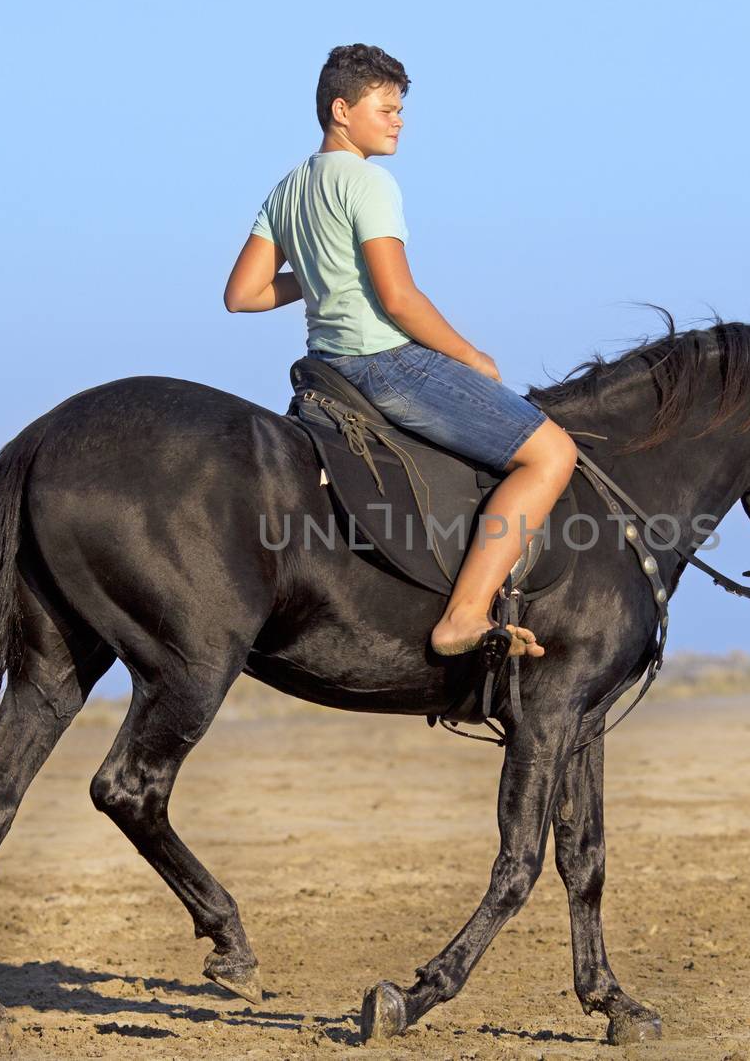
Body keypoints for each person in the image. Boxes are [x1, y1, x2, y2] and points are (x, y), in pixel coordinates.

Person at [225, 43, 576, 661]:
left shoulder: (287, 188)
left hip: (325, 373)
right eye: (385, 108)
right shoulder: (369, 182)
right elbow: (399, 298)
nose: (399, 121)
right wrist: (473, 357)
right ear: (341, 109)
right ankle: (464, 615)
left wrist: (324, 274)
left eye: (400, 109)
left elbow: (244, 294)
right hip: (386, 365)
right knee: (551, 453)